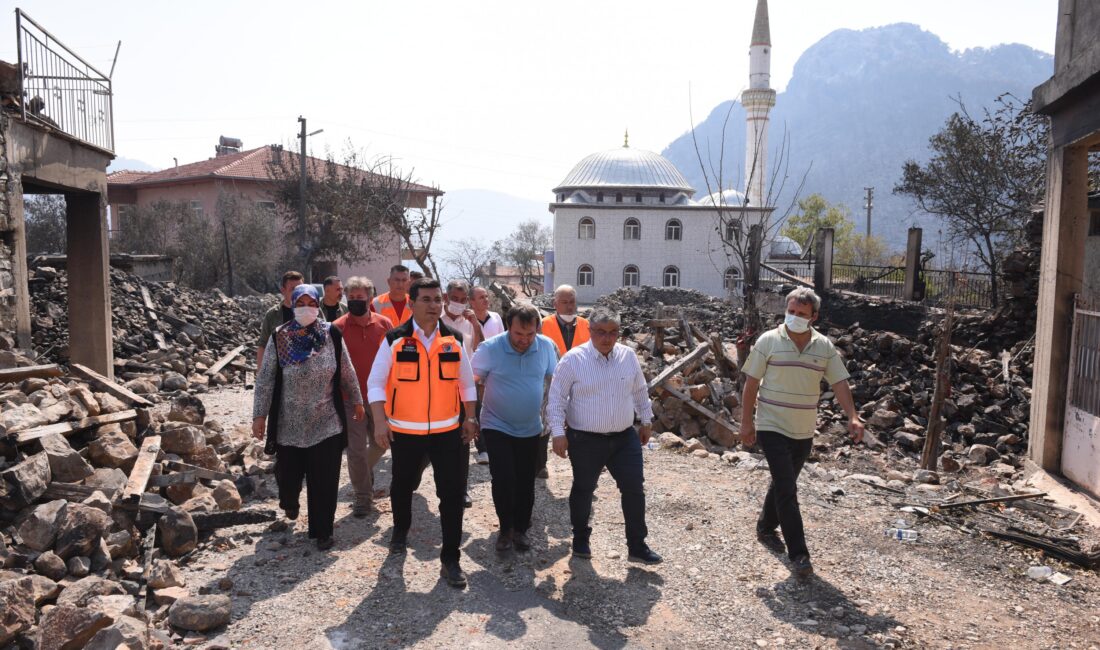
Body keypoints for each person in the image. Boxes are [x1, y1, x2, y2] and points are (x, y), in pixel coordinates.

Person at [740, 287, 865, 578]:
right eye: (791, 312)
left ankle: (765, 526)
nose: (795, 318)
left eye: (802, 314)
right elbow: (751, 383)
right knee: (787, 487)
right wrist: (746, 423)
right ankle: (799, 555)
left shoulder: (823, 347)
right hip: (771, 425)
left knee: (784, 482)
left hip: (804, 429)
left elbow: (839, 383)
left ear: (814, 317)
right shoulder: (768, 341)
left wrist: (853, 416)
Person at [367, 277, 479, 589]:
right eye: (426, 300)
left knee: (452, 494)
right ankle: (400, 530)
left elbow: (466, 383)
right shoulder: (395, 340)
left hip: (448, 432)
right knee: (402, 487)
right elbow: (375, 383)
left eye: (436, 300)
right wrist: (379, 422)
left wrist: (470, 416)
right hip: (405, 432)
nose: (433, 305)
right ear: (412, 303)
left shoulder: (454, 340)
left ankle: (450, 559)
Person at [252, 284, 365, 550]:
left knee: (324, 479)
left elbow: (346, 370)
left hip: (326, 420)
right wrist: (260, 416)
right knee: (289, 477)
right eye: (300, 303)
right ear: (291, 305)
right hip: (288, 422)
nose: (306, 308)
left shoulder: (331, 334)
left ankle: (323, 530)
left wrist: (358, 399)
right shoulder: (279, 336)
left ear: (318, 306)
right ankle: (290, 502)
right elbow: (266, 378)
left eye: (310, 303)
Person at [547, 307, 662, 565]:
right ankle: (580, 538)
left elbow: (640, 390)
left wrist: (646, 421)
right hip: (585, 440)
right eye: (601, 332)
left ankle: (637, 546)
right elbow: (556, 399)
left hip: (624, 438)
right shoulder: (573, 360)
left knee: (634, 488)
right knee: (584, 489)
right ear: (590, 331)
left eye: (613, 332)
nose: (607, 338)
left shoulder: (628, 356)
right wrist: (557, 433)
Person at [471, 304, 558, 553]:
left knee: (525, 480)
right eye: (519, 334)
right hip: (496, 423)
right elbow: (468, 380)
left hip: (531, 427)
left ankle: (521, 530)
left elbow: (557, 381)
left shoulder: (546, 347)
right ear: (509, 326)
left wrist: (559, 419)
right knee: (504, 477)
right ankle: (505, 528)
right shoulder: (490, 348)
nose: (525, 340)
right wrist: (468, 416)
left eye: (530, 334)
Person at [332, 277, 393, 517]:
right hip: (351, 399)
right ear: (347, 298)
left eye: (361, 297)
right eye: (352, 297)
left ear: (370, 297)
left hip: (380, 398)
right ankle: (363, 497)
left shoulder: (385, 324)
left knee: (382, 443)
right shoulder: (337, 327)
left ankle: (361, 472)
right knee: (356, 450)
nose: (357, 301)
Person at [537, 284, 591, 478]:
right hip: (551, 379)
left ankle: (584, 466)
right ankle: (540, 464)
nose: (569, 306)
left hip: (580, 380)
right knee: (546, 420)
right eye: (564, 302)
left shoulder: (586, 325)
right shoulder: (544, 324)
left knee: (580, 423)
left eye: (572, 302)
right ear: (555, 304)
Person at [442, 280, 484, 507]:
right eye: (454, 298)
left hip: (463, 389)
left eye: (462, 299)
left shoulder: (470, 323)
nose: (458, 303)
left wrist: (476, 326)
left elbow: (479, 349)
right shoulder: (436, 320)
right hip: (438, 389)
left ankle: (461, 489)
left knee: (463, 441)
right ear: (446, 298)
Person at [469, 285, 505, 465]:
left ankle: (492, 444)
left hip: (494, 371)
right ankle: (482, 448)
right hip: (473, 371)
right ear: (471, 301)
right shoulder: (466, 321)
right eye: (481, 297)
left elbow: (503, 343)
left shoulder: (496, 318)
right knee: (476, 407)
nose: (486, 300)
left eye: (486, 296)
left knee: (491, 406)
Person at [257, 271, 304, 369]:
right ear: (283, 291)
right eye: (293, 289)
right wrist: (261, 374)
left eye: (300, 289)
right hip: (279, 372)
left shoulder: (313, 311)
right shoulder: (272, 315)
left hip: (305, 372)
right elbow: (263, 345)